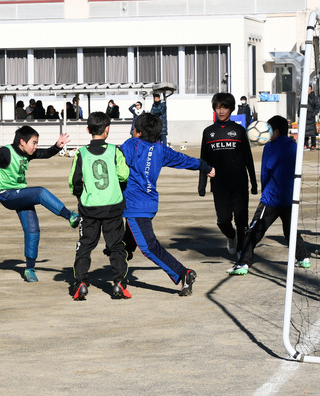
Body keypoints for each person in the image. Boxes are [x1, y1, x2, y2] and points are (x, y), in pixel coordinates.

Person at [0, 126, 81, 282]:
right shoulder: (6, 152)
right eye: (34, 143)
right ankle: (70, 216)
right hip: (7, 195)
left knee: (33, 230)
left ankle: (29, 268)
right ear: (22, 142)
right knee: (40, 192)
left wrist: (57, 146)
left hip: (21, 196)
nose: (36, 147)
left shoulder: (27, 153)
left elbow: (45, 154)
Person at [121, 113, 215, 296]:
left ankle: (183, 273)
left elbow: (113, 160)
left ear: (138, 132)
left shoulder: (132, 144)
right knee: (129, 234)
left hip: (136, 206)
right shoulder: (160, 149)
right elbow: (184, 160)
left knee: (149, 247)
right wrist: (205, 166)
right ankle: (126, 250)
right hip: (149, 203)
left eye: (133, 129)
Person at [227, 115, 311, 275]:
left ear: (277, 132)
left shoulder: (270, 147)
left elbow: (266, 172)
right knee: (290, 229)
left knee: (254, 230)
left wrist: (264, 192)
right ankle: (303, 258)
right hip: (290, 197)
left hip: (271, 198)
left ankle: (243, 263)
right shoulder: (294, 146)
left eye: (269, 130)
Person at [69, 112, 130, 300]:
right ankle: (119, 283)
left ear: (88, 130)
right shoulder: (115, 151)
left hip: (90, 207)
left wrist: (81, 197)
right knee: (116, 246)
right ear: (107, 130)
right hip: (113, 206)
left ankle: (80, 283)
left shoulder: (81, 153)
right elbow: (124, 175)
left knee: (85, 245)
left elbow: (74, 181)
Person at [198, 92, 257, 258]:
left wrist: (254, 183)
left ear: (231, 109)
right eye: (218, 107)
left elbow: (248, 158)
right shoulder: (208, 132)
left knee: (241, 221)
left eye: (224, 107)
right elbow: (204, 160)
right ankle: (231, 236)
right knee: (223, 221)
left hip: (239, 183)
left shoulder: (238, 131)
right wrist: (201, 185)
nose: (221, 110)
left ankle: (241, 252)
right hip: (219, 185)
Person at [305, 85, 320, 150]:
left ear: (311, 90)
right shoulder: (303, 97)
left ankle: (313, 145)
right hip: (305, 116)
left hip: (311, 117)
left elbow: (317, 107)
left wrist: (313, 114)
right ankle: (305, 144)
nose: (307, 91)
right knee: (305, 131)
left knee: (312, 132)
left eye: (309, 89)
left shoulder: (314, 98)